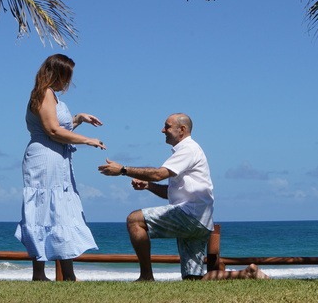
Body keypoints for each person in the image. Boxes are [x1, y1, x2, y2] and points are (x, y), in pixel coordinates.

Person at [99, 113, 267, 281]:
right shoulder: (189, 151)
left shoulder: (188, 149)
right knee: (193, 279)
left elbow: (159, 174)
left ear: (182, 130)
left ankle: (146, 277)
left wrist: (123, 170)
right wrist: (148, 186)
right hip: (200, 220)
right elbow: (174, 194)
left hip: (190, 216)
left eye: (167, 126)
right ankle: (245, 274)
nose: (162, 130)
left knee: (134, 220)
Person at [14, 54, 105, 281]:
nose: (69, 81)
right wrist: (87, 140)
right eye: (67, 76)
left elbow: (60, 125)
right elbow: (52, 130)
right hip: (45, 159)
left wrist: (79, 118)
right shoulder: (44, 94)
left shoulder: (50, 96)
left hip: (57, 159)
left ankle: (67, 274)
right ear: (57, 74)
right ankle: (41, 274)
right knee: (43, 211)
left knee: (60, 212)